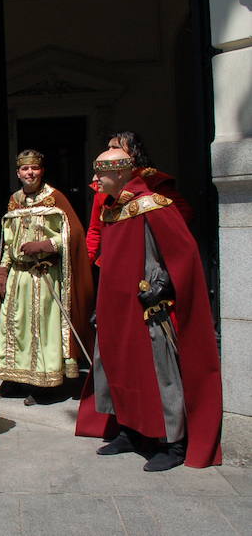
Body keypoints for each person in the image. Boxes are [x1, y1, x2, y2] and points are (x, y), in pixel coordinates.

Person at [76, 149, 222, 471]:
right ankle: (130, 431)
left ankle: (173, 443)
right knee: (119, 369)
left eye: (101, 173)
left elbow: (183, 254)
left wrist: (164, 285)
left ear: (123, 172)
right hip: (116, 309)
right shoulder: (111, 211)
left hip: (148, 308)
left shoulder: (154, 205)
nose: (95, 180)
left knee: (159, 373)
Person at [0, 150, 94, 405]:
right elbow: (8, 240)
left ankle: (44, 384)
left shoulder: (54, 198)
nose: (30, 173)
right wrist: (3, 271)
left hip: (44, 276)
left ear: (41, 170)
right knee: (13, 328)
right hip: (18, 276)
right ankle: (13, 380)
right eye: (25, 169)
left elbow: (75, 234)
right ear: (18, 173)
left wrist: (47, 244)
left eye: (34, 168)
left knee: (40, 329)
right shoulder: (14, 201)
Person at [86, 131, 192, 265]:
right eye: (109, 147)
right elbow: (95, 230)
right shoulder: (103, 187)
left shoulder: (152, 182)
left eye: (116, 147)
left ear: (133, 152)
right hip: (114, 257)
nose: (110, 151)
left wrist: (152, 241)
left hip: (146, 259)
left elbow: (182, 214)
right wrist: (87, 261)